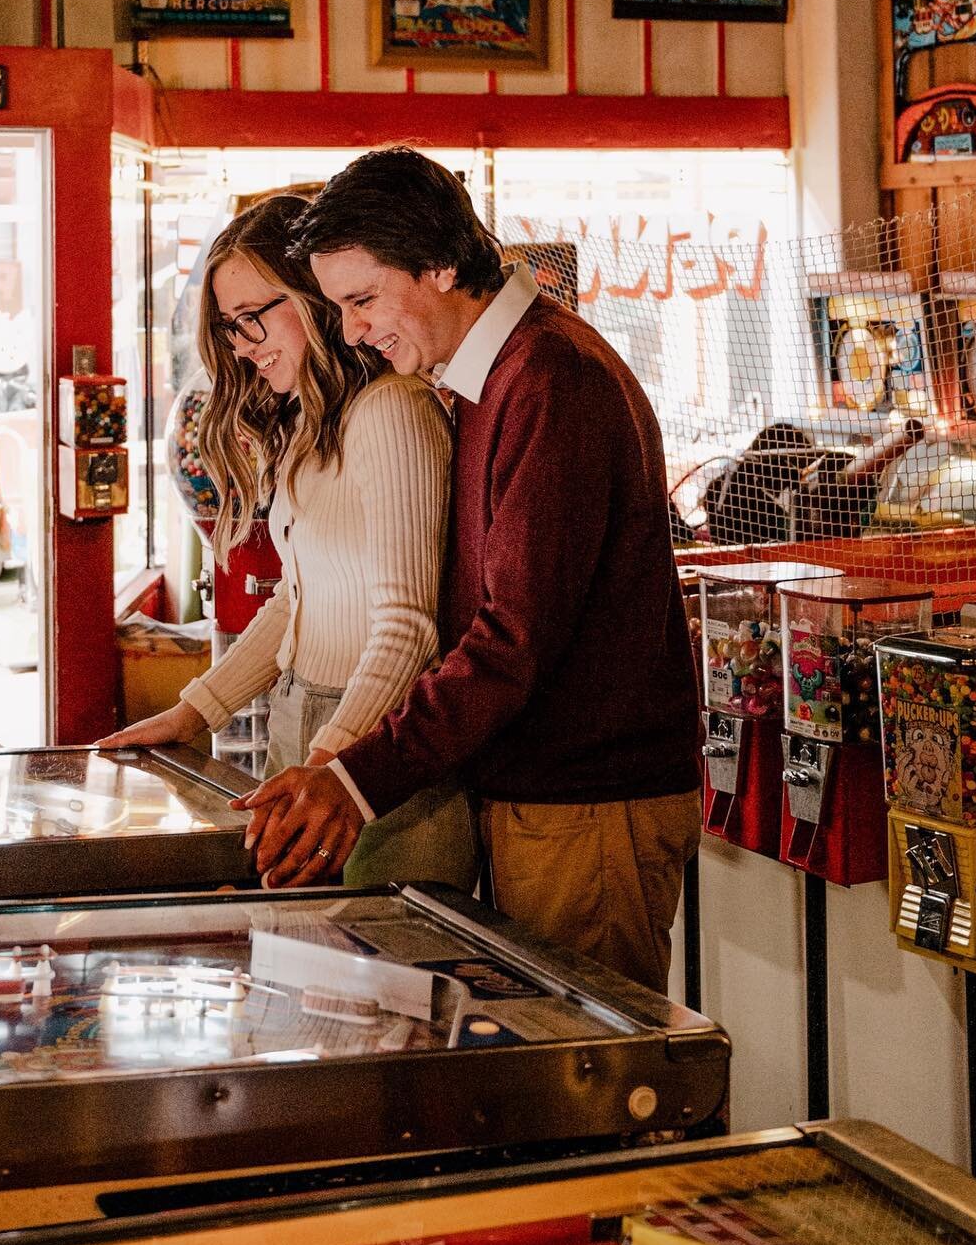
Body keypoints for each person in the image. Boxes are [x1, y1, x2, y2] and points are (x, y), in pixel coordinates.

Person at [233, 150, 702, 991]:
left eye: (364, 299)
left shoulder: (550, 379)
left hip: (587, 802)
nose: (352, 332)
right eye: (339, 308)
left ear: (442, 264)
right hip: (545, 798)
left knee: (592, 1075)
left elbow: (511, 639)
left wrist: (355, 777)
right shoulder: (499, 375)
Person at [97, 193, 477, 890]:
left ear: (313, 297)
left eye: (252, 318)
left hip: (377, 745)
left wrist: (332, 766)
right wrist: (193, 710)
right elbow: (294, 607)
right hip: (307, 724)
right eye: (228, 328)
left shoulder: (392, 410)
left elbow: (407, 629)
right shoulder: (309, 425)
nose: (242, 345)